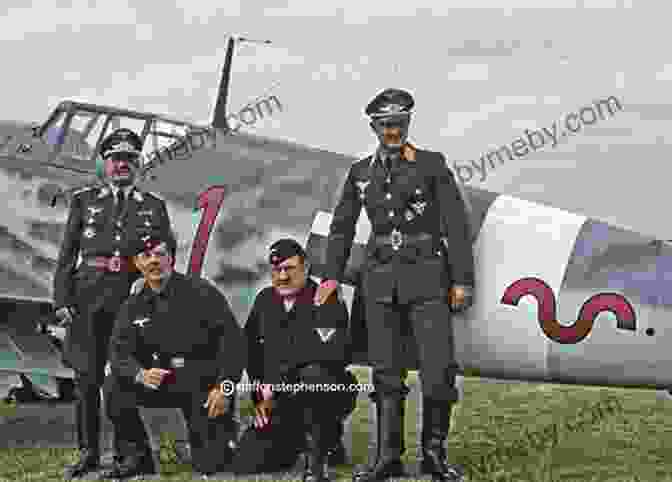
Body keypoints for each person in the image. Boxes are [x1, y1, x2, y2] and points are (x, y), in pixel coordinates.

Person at [314, 88, 475, 482]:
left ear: (408, 124)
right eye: (386, 125)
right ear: (374, 126)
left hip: (427, 279)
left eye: (400, 124)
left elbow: (456, 225)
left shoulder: (432, 165)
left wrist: (461, 280)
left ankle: (434, 456)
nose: (393, 131)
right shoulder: (359, 173)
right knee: (385, 373)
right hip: (380, 283)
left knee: (438, 371)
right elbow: (341, 229)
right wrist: (331, 276)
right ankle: (388, 458)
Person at [52, 127, 173, 479]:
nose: (123, 165)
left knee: (123, 380)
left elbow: (166, 256)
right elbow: (66, 256)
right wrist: (61, 299)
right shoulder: (84, 200)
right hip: (87, 301)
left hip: (129, 301)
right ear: (105, 163)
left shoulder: (154, 207)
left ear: (139, 165)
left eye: (130, 159)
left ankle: (127, 456)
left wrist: (149, 287)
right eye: (116, 159)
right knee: (86, 381)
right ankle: (87, 454)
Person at [101, 227, 246, 478]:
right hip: (159, 381)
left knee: (212, 465)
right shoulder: (132, 304)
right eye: (146, 256)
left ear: (172, 258)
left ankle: (221, 439)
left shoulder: (202, 292)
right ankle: (137, 457)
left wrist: (225, 388)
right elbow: (118, 351)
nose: (154, 261)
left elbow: (233, 344)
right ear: (137, 263)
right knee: (114, 385)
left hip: (202, 384)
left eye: (160, 254)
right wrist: (139, 374)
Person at [231, 238, 358, 482]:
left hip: (323, 390)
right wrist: (260, 394)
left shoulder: (325, 299)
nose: (282, 277)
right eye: (276, 270)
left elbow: (329, 356)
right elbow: (250, 351)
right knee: (245, 461)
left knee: (314, 376)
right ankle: (298, 442)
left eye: (289, 269)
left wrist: (274, 387)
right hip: (279, 398)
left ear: (306, 268)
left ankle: (320, 452)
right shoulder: (265, 299)